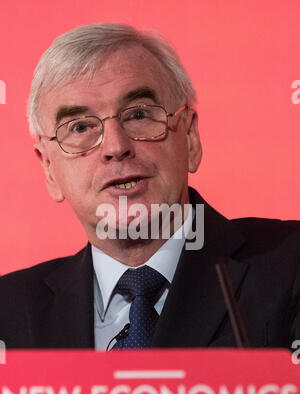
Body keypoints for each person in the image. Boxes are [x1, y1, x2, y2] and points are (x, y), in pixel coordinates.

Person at [0, 23, 299, 350]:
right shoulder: (8, 313)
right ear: (49, 169)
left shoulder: (288, 265)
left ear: (190, 138)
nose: (116, 146)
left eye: (138, 114)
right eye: (81, 126)